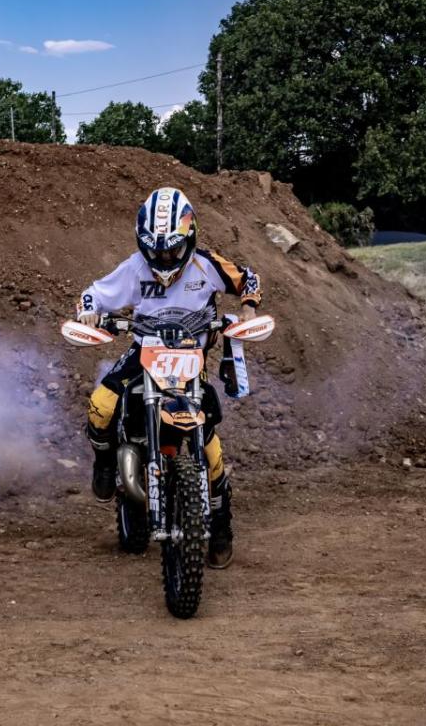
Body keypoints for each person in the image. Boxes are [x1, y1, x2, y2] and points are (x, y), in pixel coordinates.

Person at [76, 187, 262, 569]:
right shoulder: (134, 267)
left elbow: (249, 280)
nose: (162, 258)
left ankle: (221, 524)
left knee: (211, 449)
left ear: (189, 238)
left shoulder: (206, 265)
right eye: (155, 250)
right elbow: (93, 294)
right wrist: (89, 313)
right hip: (144, 350)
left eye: (171, 250)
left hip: (191, 356)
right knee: (100, 407)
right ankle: (106, 463)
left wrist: (246, 310)